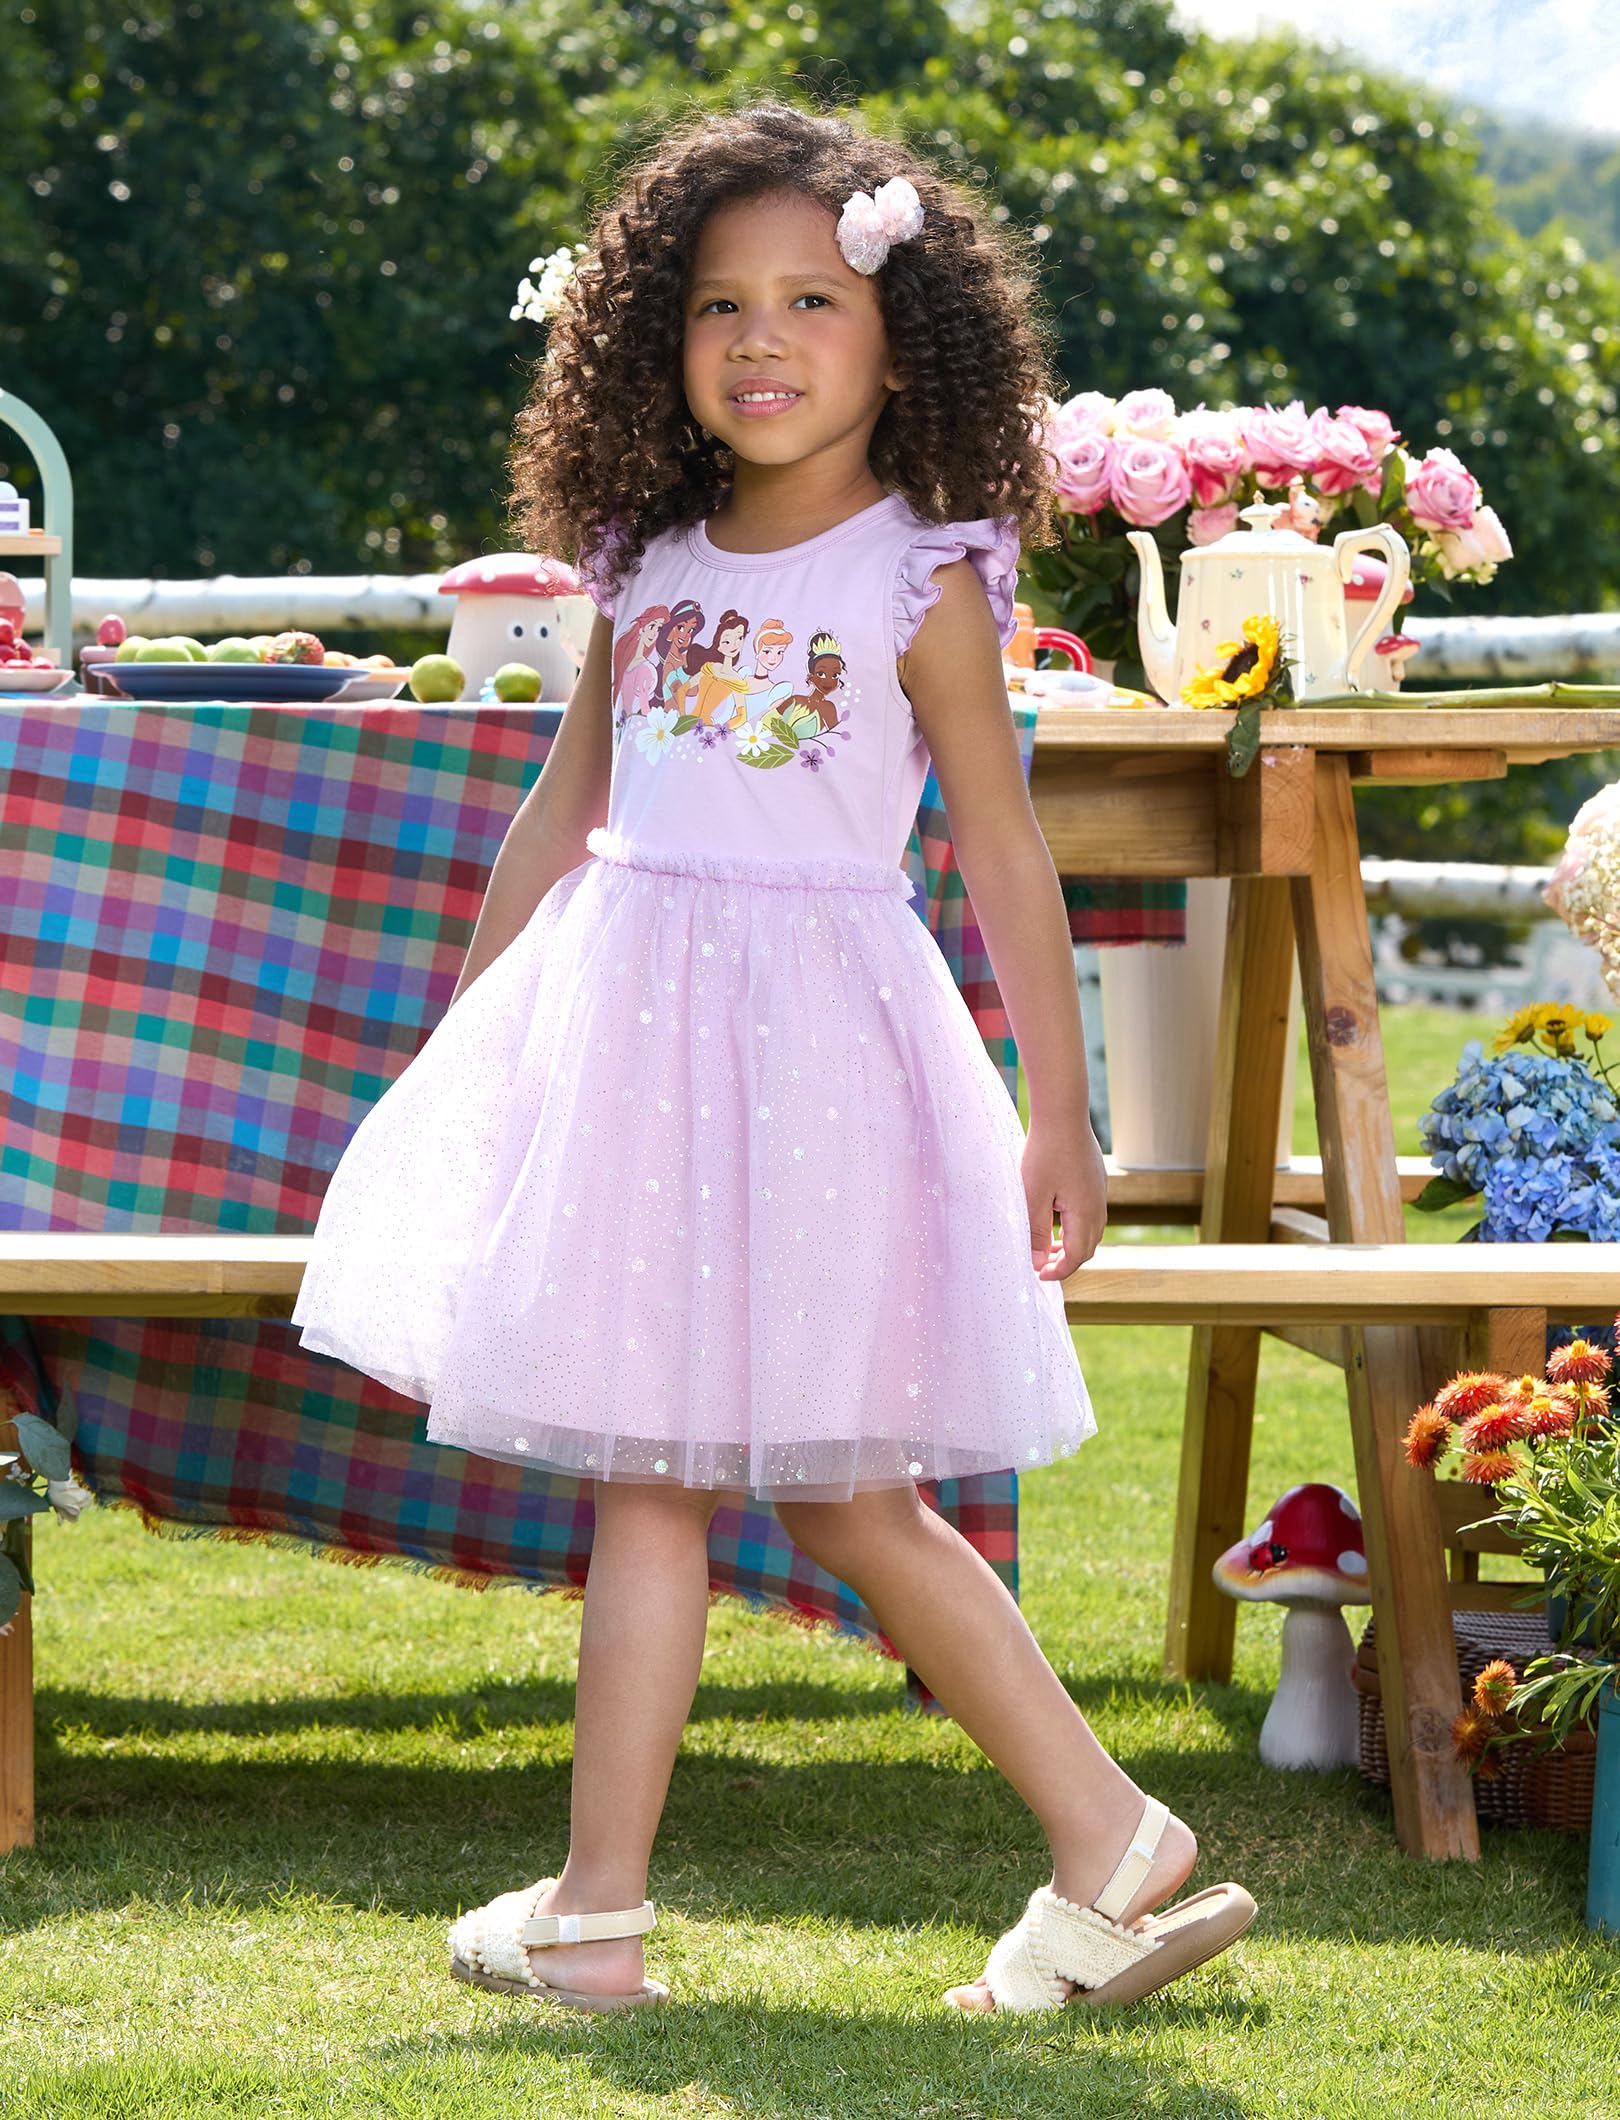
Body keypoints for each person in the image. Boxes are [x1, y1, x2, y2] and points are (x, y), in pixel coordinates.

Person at [289, 99, 1256, 2018]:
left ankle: (1040, 1847)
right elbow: (562, 816)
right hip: (632, 1061)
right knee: (663, 1482)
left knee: (846, 1494)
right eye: (719, 302)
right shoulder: (643, 557)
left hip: (818, 1071)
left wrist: (1063, 1114)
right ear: (656, 333)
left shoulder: (922, 577)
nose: (761, 339)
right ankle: (1025, 1855)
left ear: (906, 337)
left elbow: (1003, 852)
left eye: (814, 298)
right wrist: (473, 1054)